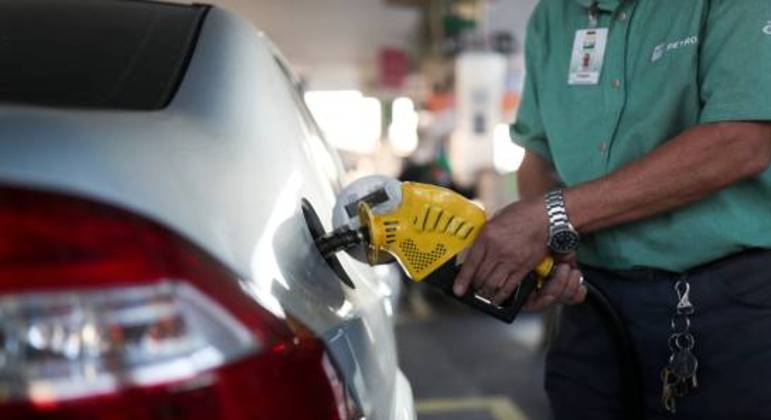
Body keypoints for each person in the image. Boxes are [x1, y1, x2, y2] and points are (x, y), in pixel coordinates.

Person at [452, 0, 771, 418]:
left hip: (724, 305)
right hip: (591, 301)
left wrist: (553, 216)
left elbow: (740, 141)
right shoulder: (552, 17)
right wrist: (552, 252)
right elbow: (538, 156)